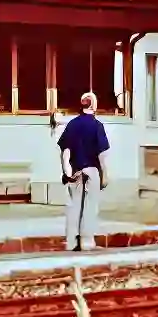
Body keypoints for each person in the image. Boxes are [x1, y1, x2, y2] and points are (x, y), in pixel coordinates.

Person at [56, 92, 111, 251]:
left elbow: (65, 151)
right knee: (90, 206)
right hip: (92, 170)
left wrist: (67, 171)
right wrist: (104, 175)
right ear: (93, 105)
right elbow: (101, 155)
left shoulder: (72, 124)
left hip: (76, 171)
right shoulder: (97, 125)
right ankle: (87, 241)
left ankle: (72, 242)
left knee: (74, 207)